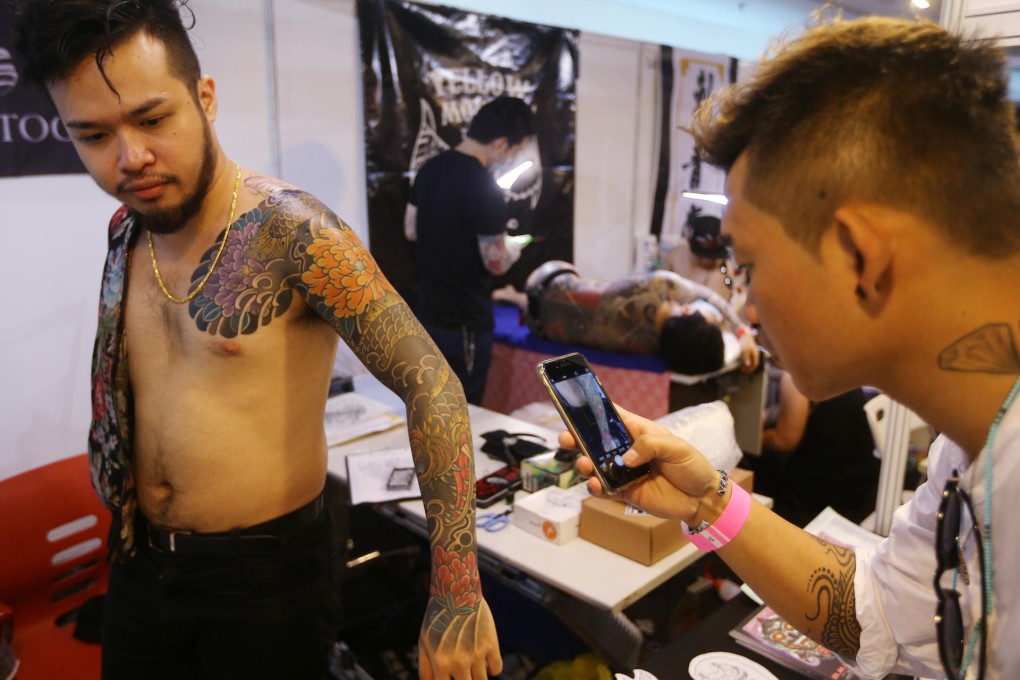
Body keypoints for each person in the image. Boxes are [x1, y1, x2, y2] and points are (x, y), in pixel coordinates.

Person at [11, 2, 500, 678]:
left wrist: (456, 591)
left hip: (264, 582)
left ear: (204, 98)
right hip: (138, 562)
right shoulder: (127, 230)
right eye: (93, 135)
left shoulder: (292, 232)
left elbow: (434, 385)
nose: (131, 157)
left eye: (153, 119)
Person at [569, 15, 1020, 680]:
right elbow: (883, 615)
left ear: (860, 254)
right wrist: (708, 502)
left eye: (746, 264)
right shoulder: (971, 447)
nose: (745, 306)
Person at [404, 96, 535, 405]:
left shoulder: (429, 169)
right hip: (466, 323)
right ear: (501, 143)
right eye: (516, 150)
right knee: (464, 409)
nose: (512, 158)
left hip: (427, 316)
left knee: (429, 407)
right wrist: (515, 245)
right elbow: (496, 263)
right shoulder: (485, 188)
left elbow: (410, 230)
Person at [524, 260, 760, 375]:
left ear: (688, 311)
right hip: (541, 326)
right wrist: (742, 332)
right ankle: (515, 298)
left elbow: (709, 296)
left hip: (545, 277)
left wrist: (742, 330)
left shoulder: (658, 285)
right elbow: (710, 301)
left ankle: (514, 296)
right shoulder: (648, 347)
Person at [747, 359, 880, 527]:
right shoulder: (839, 362)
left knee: (754, 464)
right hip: (861, 486)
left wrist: (749, 439)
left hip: (822, 501)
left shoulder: (795, 373)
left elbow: (785, 440)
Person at [661, 213, 748, 318]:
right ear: (689, 241)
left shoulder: (722, 271)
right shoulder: (676, 254)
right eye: (701, 256)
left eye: (712, 256)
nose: (706, 261)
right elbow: (658, 286)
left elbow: (709, 315)